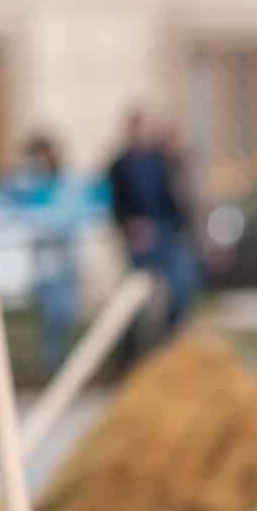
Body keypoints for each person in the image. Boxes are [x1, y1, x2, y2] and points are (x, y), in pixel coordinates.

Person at [106, 105, 203, 344]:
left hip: (167, 231)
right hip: (139, 236)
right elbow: (115, 204)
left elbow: (179, 196)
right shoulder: (120, 165)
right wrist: (129, 228)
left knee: (181, 285)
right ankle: (132, 348)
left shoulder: (163, 160)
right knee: (137, 299)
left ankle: (172, 338)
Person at [1, 133, 86, 370]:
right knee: (50, 315)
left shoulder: (65, 184)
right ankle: (50, 366)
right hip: (42, 261)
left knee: (64, 314)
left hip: (63, 258)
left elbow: (69, 216)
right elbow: (17, 213)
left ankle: (62, 365)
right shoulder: (26, 184)